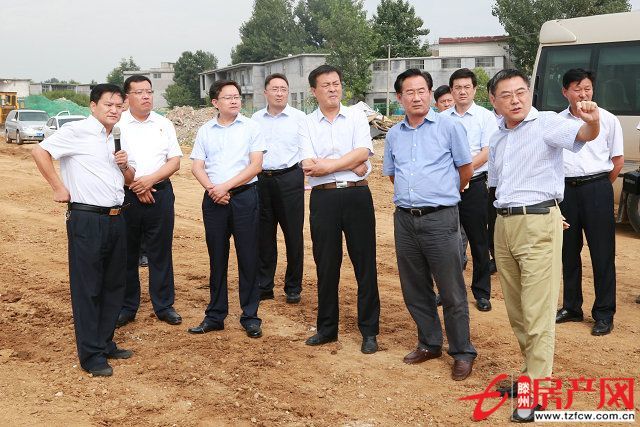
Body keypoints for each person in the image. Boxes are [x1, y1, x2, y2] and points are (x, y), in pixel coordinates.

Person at [488, 69, 600, 422]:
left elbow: (584, 133)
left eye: (521, 92)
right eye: (506, 95)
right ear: (493, 101)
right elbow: (497, 184)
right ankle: (529, 375)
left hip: (536, 224)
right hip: (505, 224)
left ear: (529, 93)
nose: (515, 100)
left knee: (538, 312)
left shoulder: (547, 123)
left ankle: (535, 392)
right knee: (518, 311)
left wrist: (593, 121)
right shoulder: (497, 137)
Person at [31, 84, 136, 377]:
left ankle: (104, 342)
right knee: (88, 287)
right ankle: (91, 355)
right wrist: (58, 186)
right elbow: (39, 151)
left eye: (119, 105)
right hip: (87, 219)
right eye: (108, 104)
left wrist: (124, 166)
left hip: (116, 217)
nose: (114, 110)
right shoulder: (76, 131)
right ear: (93, 106)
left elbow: (130, 179)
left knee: (114, 285)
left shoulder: (117, 136)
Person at [383, 68, 477, 380]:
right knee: (414, 287)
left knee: (451, 289)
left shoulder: (449, 127)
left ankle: (462, 351)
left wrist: (441, 194)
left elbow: (465, 170)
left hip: (441, 218)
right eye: (409, 92)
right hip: (405, 220)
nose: (416, 97)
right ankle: (429, 342)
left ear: (430, 93)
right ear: (400, 98)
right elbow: (393, 174)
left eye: (421, 91)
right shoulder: (394, 135)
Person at [299, 64, 380, 354]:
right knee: (326, 264)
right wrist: (350, 163)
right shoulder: (306, 123)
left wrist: (329, 165)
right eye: (326, 85)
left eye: (336, 83)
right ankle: (327, 329)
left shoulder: (357, 116)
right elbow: (308, 164)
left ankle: (369, 331)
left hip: (358, 196)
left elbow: (364, 152)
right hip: (324, 200)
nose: (333, 89)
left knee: (365, 264)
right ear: (314, 91)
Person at [188, 80, 265, 339]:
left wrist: (225, 187)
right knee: (217, 257)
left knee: (248, 257)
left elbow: (255, 166)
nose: (234, 101)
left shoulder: (252, 127)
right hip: (214, 201)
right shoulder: (205, 131)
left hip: (244, 198)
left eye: (237, 96)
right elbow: (197, 166)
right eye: (228, 97)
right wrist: (213, 189)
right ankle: (215, 315)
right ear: (215, 102)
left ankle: (250, 316)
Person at [555, 69, 623, 336]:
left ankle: (604, 313)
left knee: (602, 253)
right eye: (576, 89)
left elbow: (617, 161)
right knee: (568, 252)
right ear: (565, 92)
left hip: (597, 188)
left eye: (587, 88)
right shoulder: (557, 122)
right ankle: (572, 307)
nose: (583, 94)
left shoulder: (608, 119)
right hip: (565, 191)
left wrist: (600, 186)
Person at [116, 75, 183, 328]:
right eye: (139, 92)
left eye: (149, 91)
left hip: (160, 193)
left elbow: (174, 161)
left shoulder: (164, 123)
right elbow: (113, 161)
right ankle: (126, 306)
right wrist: (137, 185)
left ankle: (164, 305)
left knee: (160, 251)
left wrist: (149, 181)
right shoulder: (117, 124)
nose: (146, 96)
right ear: (127, 97)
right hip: (127, 195)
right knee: (126, 252)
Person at [442, 68, 497, 312]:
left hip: (474, 186)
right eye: (458, 88)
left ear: (475, 90)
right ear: (451, 91)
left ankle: (482, 292)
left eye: (467, 87)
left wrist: (463, 172)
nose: (462, 92)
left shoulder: (486, 117)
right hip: (448, 187)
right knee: (447, 242)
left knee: (478, 241)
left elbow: (486, 152)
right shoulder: (442, 118)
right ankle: (448, 291)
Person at [251, 73, 306, 304]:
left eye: (283, 89)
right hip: (262, 179)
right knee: (264, 235)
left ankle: (293, 286)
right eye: (275, 89)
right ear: (266, 93)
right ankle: (264, 285)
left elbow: (306, 149)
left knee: (293, 235)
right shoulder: (255, 119)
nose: (280, 93)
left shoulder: (299, 118)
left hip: (290, 179)